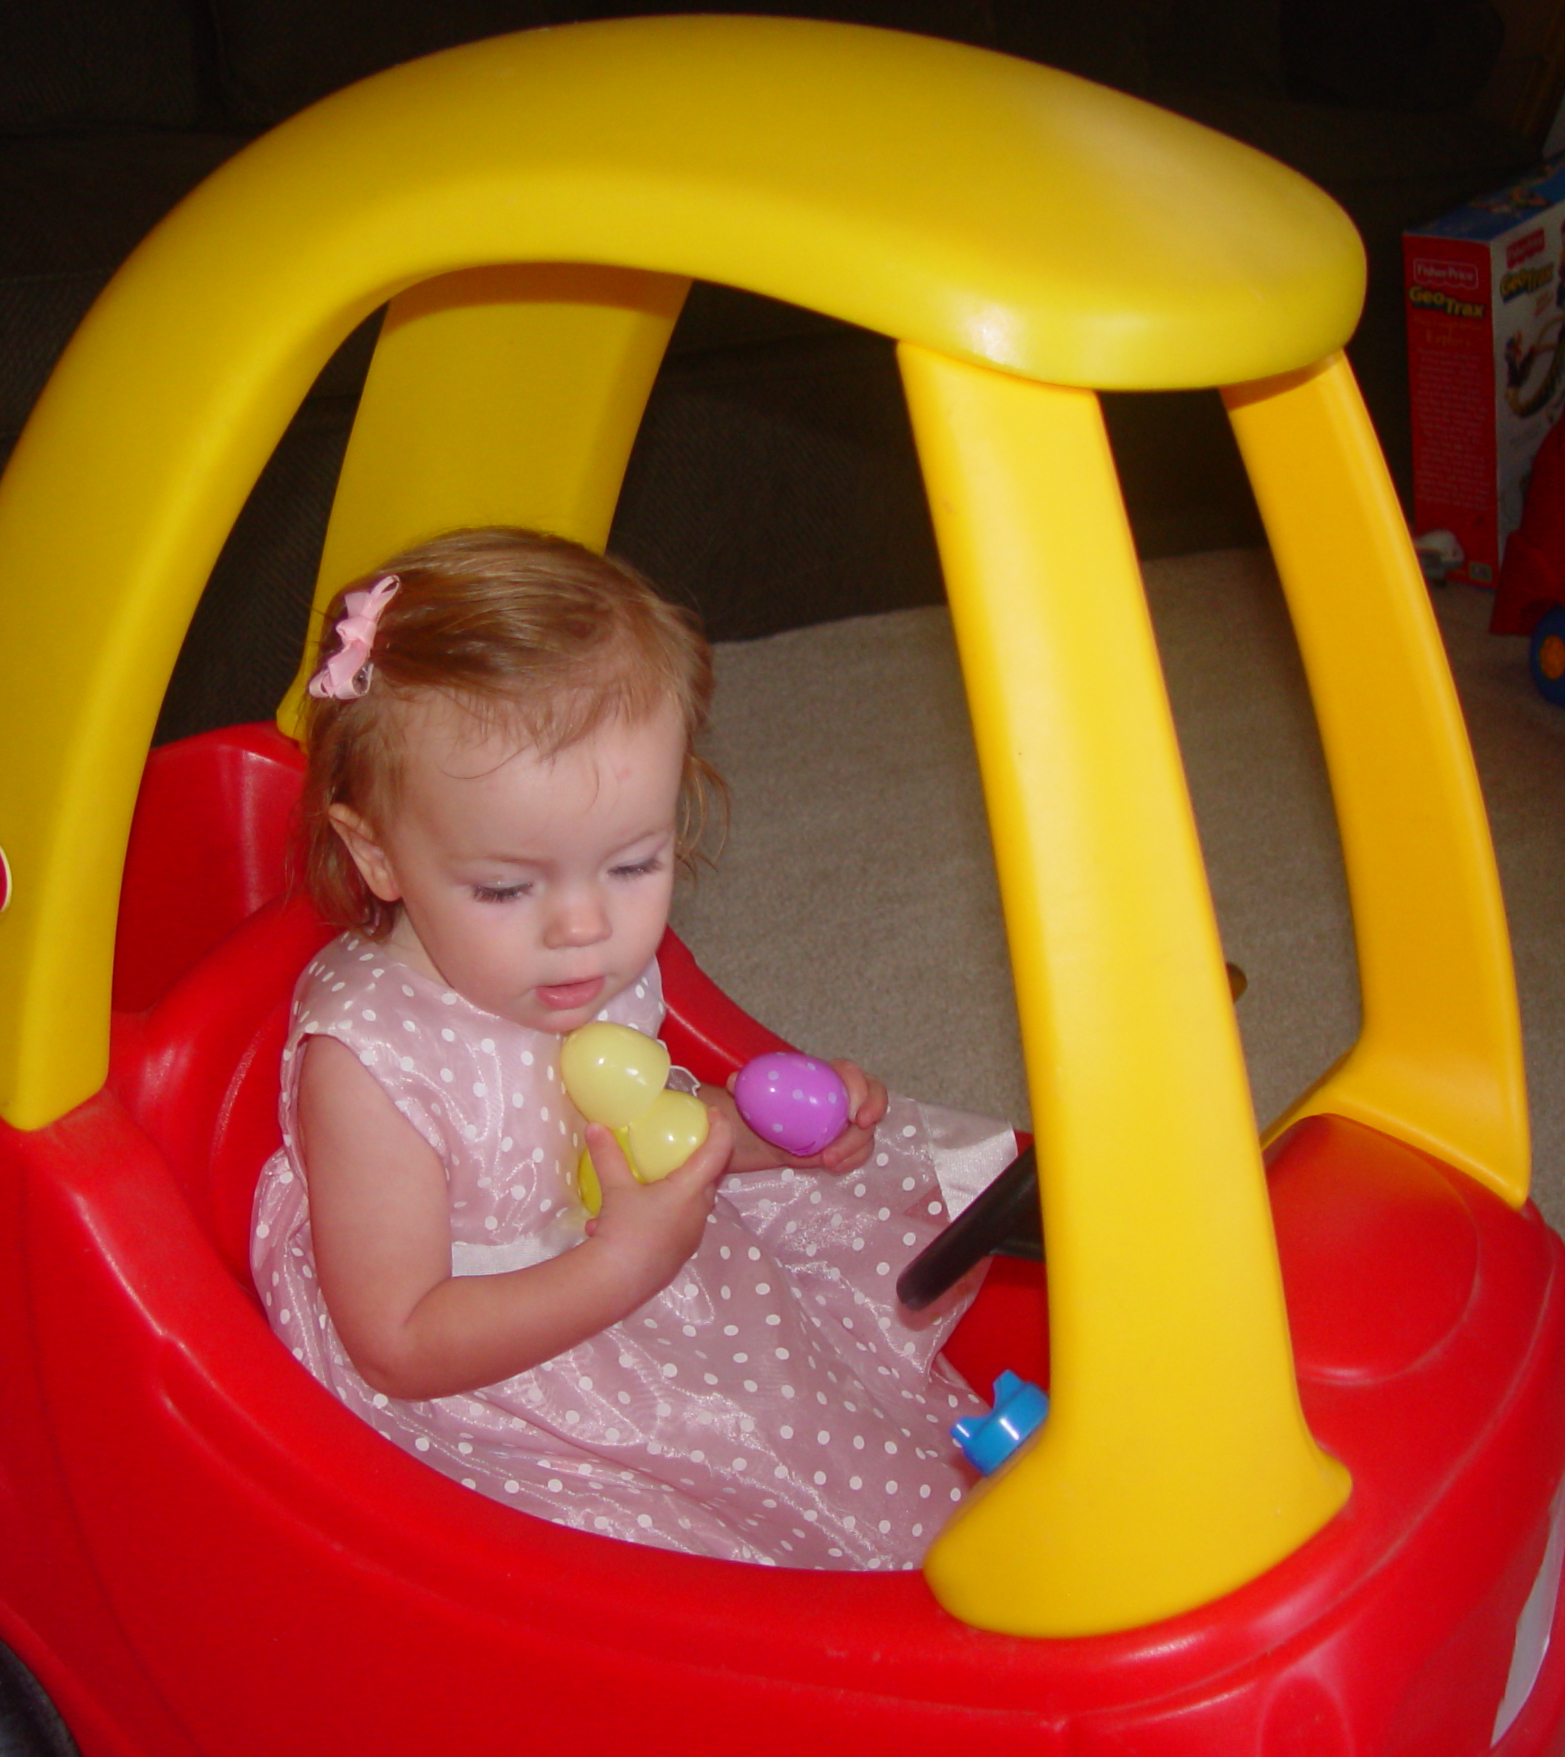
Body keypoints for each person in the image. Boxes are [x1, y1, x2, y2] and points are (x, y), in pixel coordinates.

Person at [250, 527, 1017, 1570]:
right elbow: (398, 1344)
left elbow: (636, 1122)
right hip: (494, 1383)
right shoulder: (371, 1067)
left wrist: (752, 1135)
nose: (582, 929)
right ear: (376, 850)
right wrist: (621, 1265)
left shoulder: (572, 965)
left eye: (632, 864)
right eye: (506, 887)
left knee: (826, 1401)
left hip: (631, 1262)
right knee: (696, 1552)